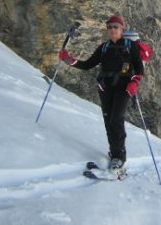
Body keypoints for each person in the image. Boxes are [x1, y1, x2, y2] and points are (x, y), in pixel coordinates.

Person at [58, 14, 144, 170]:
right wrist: (70, 60)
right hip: (106, 88)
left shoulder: (130, 46)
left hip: (124, 88)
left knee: (116, 119)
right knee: (108, 121)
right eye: (109, 27)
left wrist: (134, 82)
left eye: (115, 27)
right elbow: (88, 65)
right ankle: (114, 151)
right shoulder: (104, 48)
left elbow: (139, 68)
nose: (112, 30)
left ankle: (119, 156)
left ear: (122, 29)